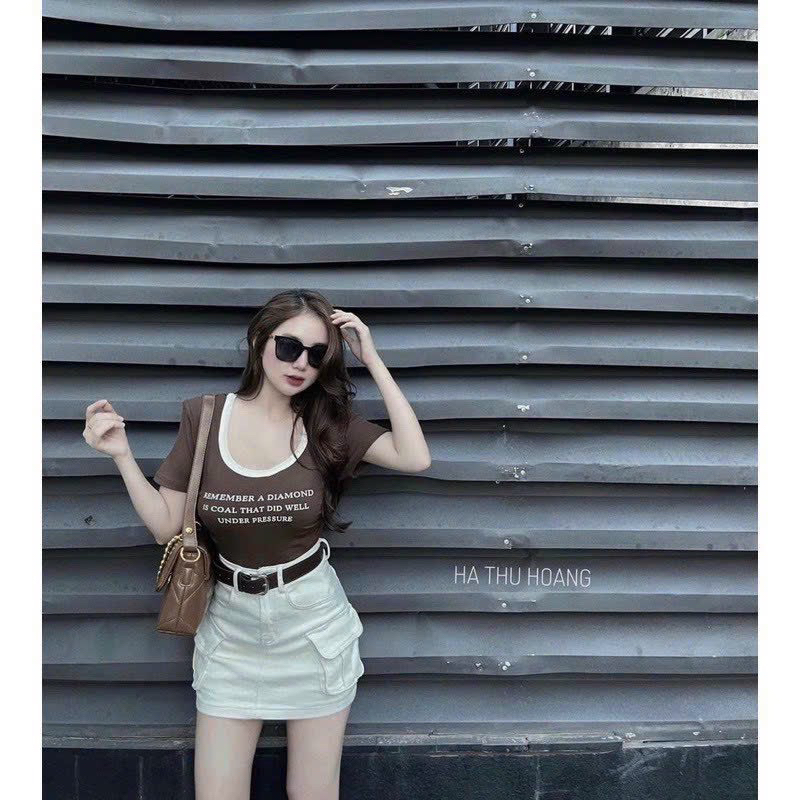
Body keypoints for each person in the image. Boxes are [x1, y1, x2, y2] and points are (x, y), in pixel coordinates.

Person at [82, 289, 431, 800]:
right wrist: (121, 456)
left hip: (312, 626)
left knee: (313, 792)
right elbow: (165, 527)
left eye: (317, 354)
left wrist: (372, 360)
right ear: (258, 342)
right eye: (288, 347)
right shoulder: (205, 418)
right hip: (230, 629)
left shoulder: (326, 425)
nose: (301, 364)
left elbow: (415, 456)